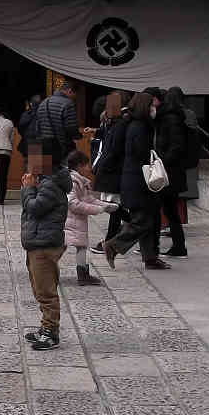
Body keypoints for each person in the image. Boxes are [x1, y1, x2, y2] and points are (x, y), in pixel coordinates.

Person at [102, 91, 168, 270]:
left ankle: (150, 258)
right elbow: (140, 154)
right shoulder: (139, 127)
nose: (154, 109)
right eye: (151, 106)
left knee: (150, 219)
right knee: (143, 221)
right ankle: (113, 245)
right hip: (139, 181)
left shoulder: (135, 124)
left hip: (136, 179)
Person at [20, 142, 72, 350]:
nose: (29, 162)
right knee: (39, 287)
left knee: (46, 290)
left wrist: (28, 190)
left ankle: (51, 332)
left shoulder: (50, 184)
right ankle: (45, 327)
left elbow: (35, 208)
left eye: (35, 158)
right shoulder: (45, 181)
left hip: (44, 244)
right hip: (37, 241)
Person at [154, 86, 190, 258]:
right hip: (171, 170)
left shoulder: (170, 119)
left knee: (163, 209)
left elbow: (176, 145)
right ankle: (178, 246)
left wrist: (161, 163)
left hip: (168, 171)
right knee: (169, 210)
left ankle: (171, 245)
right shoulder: (172, 117)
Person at [91, 91, 129, 254]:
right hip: (113, 169)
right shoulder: (114, 122)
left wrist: (101, 166)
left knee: (114, 207)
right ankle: (111, 239)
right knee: (115, 207)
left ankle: (137, 228)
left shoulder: (121, 123)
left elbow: (114, 150)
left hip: (115, 170)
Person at [64, 149, 109, 286]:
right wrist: (97, 209)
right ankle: (81, 274)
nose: (89, 168)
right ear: (79, 166)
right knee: (67, 245)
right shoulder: (73, 181)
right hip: (71, 220)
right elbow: (72, 203)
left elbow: (87, 198)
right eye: (86, 165)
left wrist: (105, 205)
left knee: (77, 245)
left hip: (75, 220)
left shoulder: (78, 180)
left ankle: (82, 273)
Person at [33, 82, 78, 166]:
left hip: (43, 146)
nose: (74, 98)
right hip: (61, 147)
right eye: (74, 96)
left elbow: (37, 127)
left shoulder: (43, 103)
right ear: (70, 91)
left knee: (46, 175)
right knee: (63, 175)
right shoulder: (68, 103)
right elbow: (71, 128)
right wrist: (78, 136)